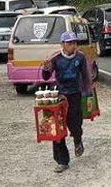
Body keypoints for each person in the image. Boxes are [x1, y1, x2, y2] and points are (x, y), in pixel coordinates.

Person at [41, 31, 93, 173]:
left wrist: (88, 94)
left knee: (75, 124)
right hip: (59, 96)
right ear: (62, 44)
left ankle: (77, 140)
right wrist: (46, 67)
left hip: (75, 94)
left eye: (74, 42)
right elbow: (46, 76)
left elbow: (86, 76)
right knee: (56, 128)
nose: (73, 45)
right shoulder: (56, 58)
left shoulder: (80, 57)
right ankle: (62, 161)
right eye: (69, 43)